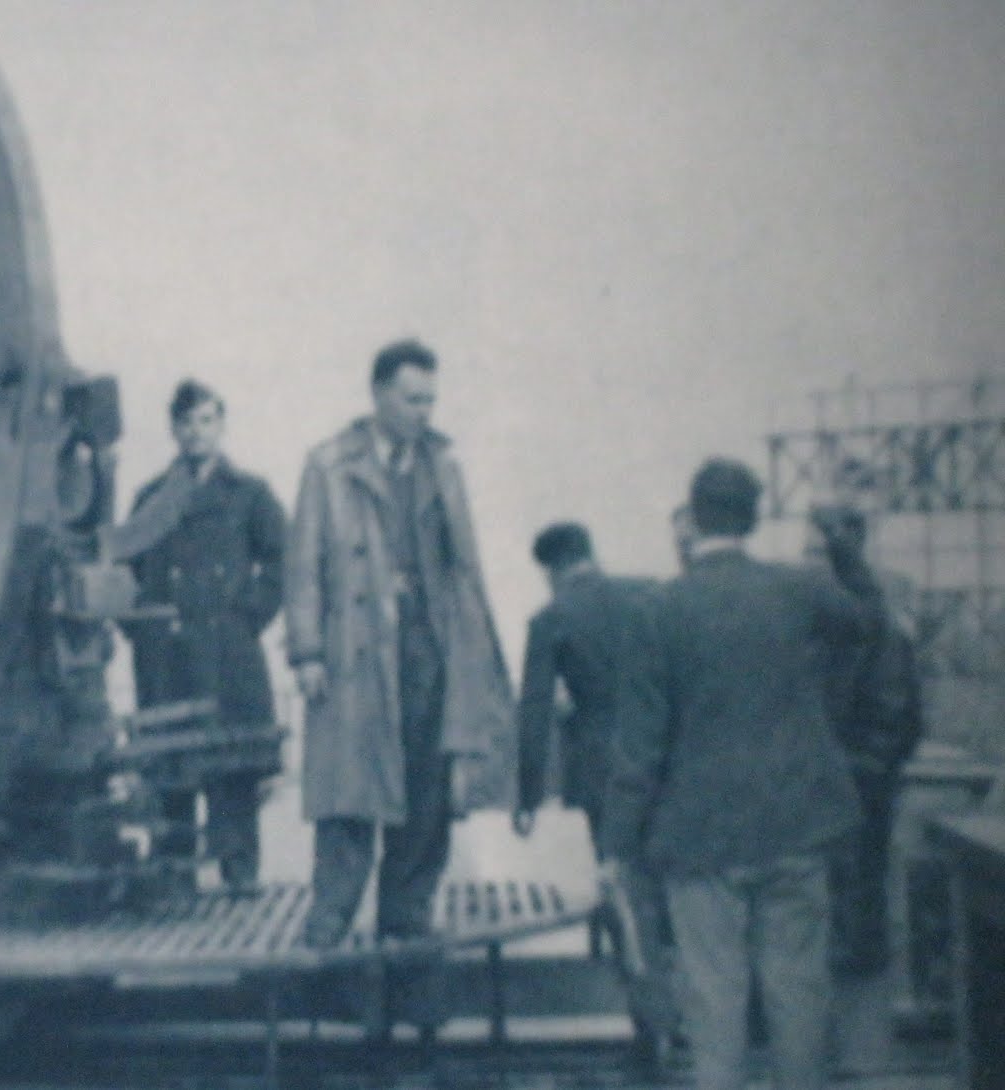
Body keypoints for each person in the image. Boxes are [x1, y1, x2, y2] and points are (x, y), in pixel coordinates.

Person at [601, 458, 880, 1090]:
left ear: (694, 520)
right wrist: (844, 548)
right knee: (798, 991)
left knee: (713, 996)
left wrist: (616, 845)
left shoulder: (658, 610)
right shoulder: (799, 589)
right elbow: (870, 623)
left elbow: (639, 750)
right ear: (752, 520)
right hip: (797, 826)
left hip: (701, 838)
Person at [285, 338, 512, 948]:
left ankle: (406, 931)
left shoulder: (443, 465)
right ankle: (327, 934)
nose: (423, 412)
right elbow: (303, 566)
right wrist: (306, 653)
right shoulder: (328, 466)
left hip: (427, 658)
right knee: (349, 806)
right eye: (412, 398)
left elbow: (465, 567)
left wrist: (474, 658)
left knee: (426, 802)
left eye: (430, 400)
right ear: (379, 394)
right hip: (357, 661)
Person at [124, 379, 286, 891]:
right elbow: (121, 575)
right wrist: (143, 632)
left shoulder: (249, 493)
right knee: (171, 775)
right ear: (173, 429)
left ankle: (241, 879)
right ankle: (174, 884)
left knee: (232, 771)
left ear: (222, 426)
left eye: (206, 421)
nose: (196, 433)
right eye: (186, 423)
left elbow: (284, 562)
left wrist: (245, 621)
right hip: (167, 659)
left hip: (226, 655)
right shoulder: (150, 499)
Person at [806, 503, 924, 1070]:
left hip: (846, 780)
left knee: (844, 908)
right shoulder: (881, 619)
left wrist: (853, 763)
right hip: (867, 778)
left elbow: (885, 709)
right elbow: (905, 715)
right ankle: (858, 1051)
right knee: (861, 904)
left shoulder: (850, 624)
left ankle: (848, 1052)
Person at [512, 521, 656, 840]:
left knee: (613, 869)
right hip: (657, 754)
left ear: (552, 571)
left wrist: (527, 797)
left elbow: (535, 711)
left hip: (597, 765)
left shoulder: (550, 618)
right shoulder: (647, 594)